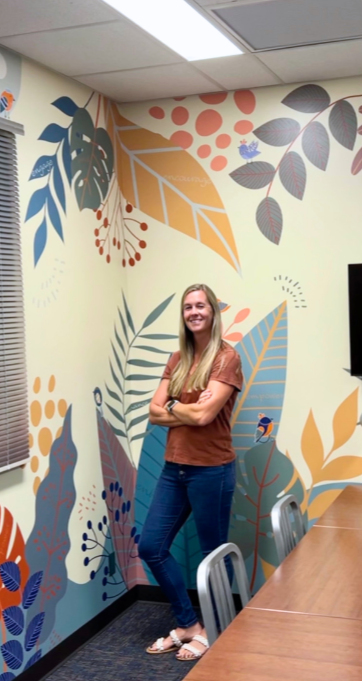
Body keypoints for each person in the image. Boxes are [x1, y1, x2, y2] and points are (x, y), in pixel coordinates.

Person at [140, 283, 243, 662]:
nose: (194, 312)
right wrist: (182, 407)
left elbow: (204, 416)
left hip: (211, 470)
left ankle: (215, 629)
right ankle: (188, 624)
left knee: (212, 555)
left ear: (213, 312)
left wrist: (173, 405)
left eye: (201, 305)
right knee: (151, 546)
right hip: (175, 468)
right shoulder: (177, 359)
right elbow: (153, 413)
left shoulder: (226, 358)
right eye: (188, 307)